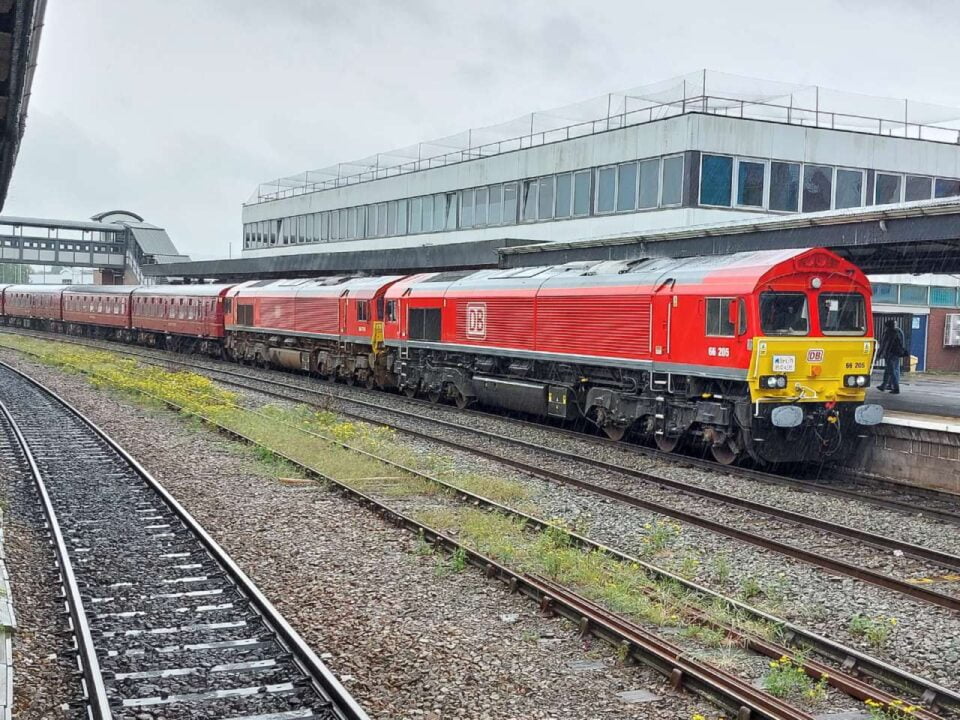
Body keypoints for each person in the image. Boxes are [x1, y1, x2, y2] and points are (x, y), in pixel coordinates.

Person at [877, 319, 908, 394]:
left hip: (890, 354)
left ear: (887, 326)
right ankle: (884, 385)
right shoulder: (897, 332)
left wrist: (879, 354)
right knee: (889, 370)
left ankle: (896, 388)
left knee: (892, 371)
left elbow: (885, 345)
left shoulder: (888, 333)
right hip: (895, 354)